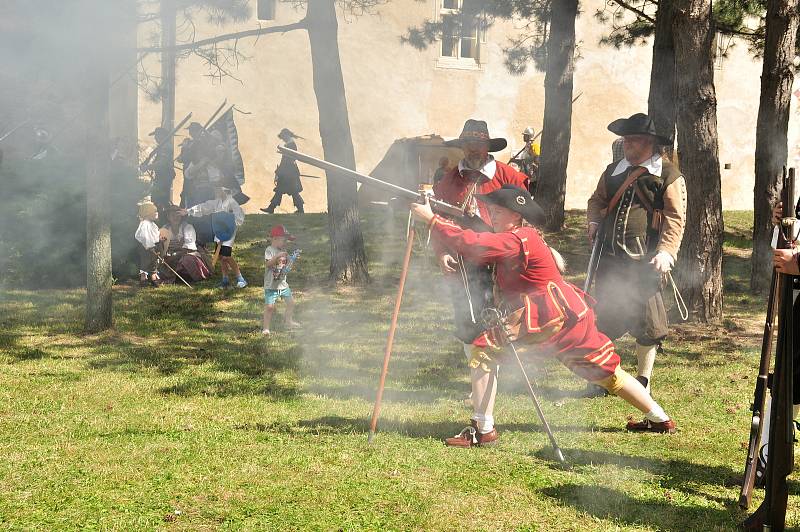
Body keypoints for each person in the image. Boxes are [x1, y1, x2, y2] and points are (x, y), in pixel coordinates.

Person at [410, 185, 676, 446]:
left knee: (483, 350)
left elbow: (473, 243)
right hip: (565, 315)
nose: (492, 215)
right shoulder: (519, 235)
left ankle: (482, 428)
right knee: (607, 371)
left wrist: (432, 220)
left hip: (548, 316)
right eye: (491, 210)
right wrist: (446, 218)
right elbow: (477, 237)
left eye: (498, 211)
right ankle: (659, 418)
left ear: (516, 215)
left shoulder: (517, 238)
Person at [586, 113, 687, 394]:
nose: (627, 145)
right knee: (605, 318)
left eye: (633, 140)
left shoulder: (667, 174)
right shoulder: (613, 171)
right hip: (609, 258)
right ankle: (602, 378)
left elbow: (675, 218)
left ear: (650, 143)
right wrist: (594, 221)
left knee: (649, 323)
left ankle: (643, 380)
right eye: (625, 140)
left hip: (645, 262)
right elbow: (597, 201)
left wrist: (667, 251)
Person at [432, 119, 529, 360]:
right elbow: (438, 220)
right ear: (462, 146)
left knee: (504, 320)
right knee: (467, 318)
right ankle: (478, 376)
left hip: (501, 261)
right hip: (463, 264)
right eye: (468, 143)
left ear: (487, 146)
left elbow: (525, 219)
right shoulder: (448, 181)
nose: (473, 149)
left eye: (478, 143)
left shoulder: (510, 177)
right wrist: (442, 253)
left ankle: (504, 372)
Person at [183, 186, 247, 288]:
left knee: (227, 256)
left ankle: (241, 278)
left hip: (228, 234)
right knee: (221, 258)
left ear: (225, 191)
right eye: (216, 189)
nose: (216, 191)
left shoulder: (232, 202)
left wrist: (229, 225)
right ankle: (225, 280)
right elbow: (204, 207)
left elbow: (239, 218)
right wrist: (189, 211)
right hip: (219, 232)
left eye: (218, 190)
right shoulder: (217, 202)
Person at [262, 225, 302, 335]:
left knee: (291, 303)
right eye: (284, 240)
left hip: (283, 285)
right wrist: (277, 256)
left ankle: (288, 321)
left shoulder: (283, 250)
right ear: (275, 239)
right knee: (269, 307)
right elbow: (268, 264)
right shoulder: (269, 250)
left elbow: (288, 263)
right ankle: (266, 328)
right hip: (271, 286)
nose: (285, 243)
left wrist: (292, 258)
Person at [158, 205, 211, 284]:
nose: (175, 218)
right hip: (169, 255)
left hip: (186, 253)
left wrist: (175, 255)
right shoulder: (164, 229)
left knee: (187, 260)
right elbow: (161, 246)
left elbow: (189, 248)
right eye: (173, 215)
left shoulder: (187, 227)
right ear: (168, 217)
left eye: (178, 215)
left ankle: (188, 276)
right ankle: (175, 276)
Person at [261, 128, 304, 214]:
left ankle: (300, 210)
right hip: (286, 171)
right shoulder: (288, 144)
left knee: (292, 191)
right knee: (280, 190)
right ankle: (271, 208)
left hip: (289, 172)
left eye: (283, 136)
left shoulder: (291, 145)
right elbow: (284, 159)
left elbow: (288, 159)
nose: (282, 138)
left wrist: (279, 171)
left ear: (287, 135)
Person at [141, 126, 176, 216]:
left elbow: (162, 163)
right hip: (161, 176)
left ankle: (165, 218)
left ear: (162, 135)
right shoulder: (162, 146)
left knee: (161, 200)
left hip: (164, 176)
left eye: (157, 135)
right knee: (158, 200)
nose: (156, 138)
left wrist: (148, 167)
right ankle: (162, 217)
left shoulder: (166, 146)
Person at [134, 200, 163, 287]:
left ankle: (153, 276)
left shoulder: (153, 224)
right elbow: (144, 236)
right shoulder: (144, 224)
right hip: (146, 248)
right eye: (154, 211)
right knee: (145, 262)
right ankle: (144, 278)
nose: (156, 213)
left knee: (154, 262)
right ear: (147, 213)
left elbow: (154, 235)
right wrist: (150, 246)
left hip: (154, 246)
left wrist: (160, 239)